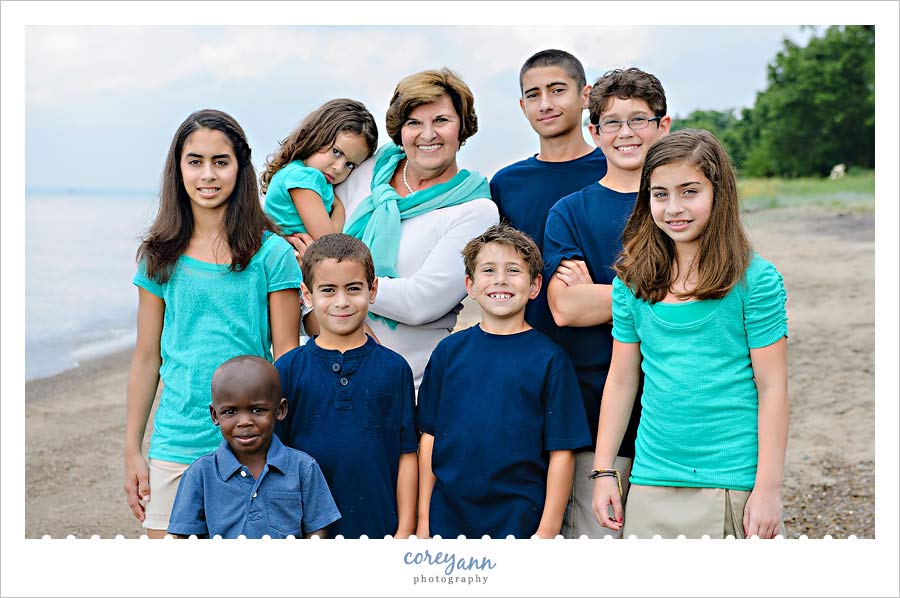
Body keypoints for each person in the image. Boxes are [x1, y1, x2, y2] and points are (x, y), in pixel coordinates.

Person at [592, 129, 789, 539]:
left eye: (689, 191)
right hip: (651, 477)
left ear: (719, 193)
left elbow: (773, 388)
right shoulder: (631, 282)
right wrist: (604, 469)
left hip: (731, 480)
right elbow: (622, 379)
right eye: (660, 194)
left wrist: (767, 490)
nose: (673, 208)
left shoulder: (756, 281)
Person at [124, 109, 302, 538]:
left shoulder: (271, 253)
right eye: (195, 161)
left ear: (240, 168)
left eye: (221, 162)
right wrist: (133, 450)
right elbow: (147, 357)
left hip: (251, 441)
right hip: (176, 438)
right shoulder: (158, 255)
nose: (208, 174)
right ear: (178, 168)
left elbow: (288, 355)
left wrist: (287, 447)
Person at [296, 68, 498, 389]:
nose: (427, 134)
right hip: (321, 370)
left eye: (441, 121)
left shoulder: (476, 210)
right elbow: (300, 244)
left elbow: (419, 303)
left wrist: (329, 280)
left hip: (400, 385)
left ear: (463, 126)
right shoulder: (367, 170)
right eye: (414, 123)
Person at [543, 68, 671, 538]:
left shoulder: (681, 206)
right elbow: (567, 309)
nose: (626, 133)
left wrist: (603, 289)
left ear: (664, 126)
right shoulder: (571, 211)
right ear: (593, 132)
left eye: (639, 119)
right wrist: (665, 290)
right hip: (596, 413)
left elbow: (709, 293)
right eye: (612, 122)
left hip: (675, 415)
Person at [416, 224, 591, 539]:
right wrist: (424, 522)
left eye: (513, 270)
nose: (500, 280)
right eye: (488, 270)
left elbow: (561, 453)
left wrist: (548, 531)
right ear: (470, 284)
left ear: (535, 285)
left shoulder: (551, 360)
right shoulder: (448, 352)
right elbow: (429, 438)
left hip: (520, 522)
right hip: (447, 518)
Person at [275, 234, 418, 539]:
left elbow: (407, 455)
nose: (342, 301)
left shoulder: (395, 369)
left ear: (373, 289)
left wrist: (405, 529)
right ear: (307, 295)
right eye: (328, 290)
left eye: (353, 289)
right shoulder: (287, 369)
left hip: (379, 529)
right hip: (305, 532)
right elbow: (275, 455)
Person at [489, 49, 608, 340]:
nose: (545, 104)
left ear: (585, 96)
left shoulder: (614, 168)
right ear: (522, 105)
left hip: (612, 343)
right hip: (533, 347)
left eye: (557, 90)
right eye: (533, 95)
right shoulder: (507, 183)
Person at [167, 356, 340, 539]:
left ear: (280, 410)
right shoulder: (200, 474)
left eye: (257, 410)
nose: (244, 422)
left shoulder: (303, 468)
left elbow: (317, 530)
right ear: (214, 415)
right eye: (230, 412)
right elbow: (183, 537)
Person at [260, 99, 378, 240]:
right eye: (336, 152)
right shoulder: (303, 177)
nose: (339, 168)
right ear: (316, 136)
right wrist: (339, 207)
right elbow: (327, 242)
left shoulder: (298, 173)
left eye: (350, 165)